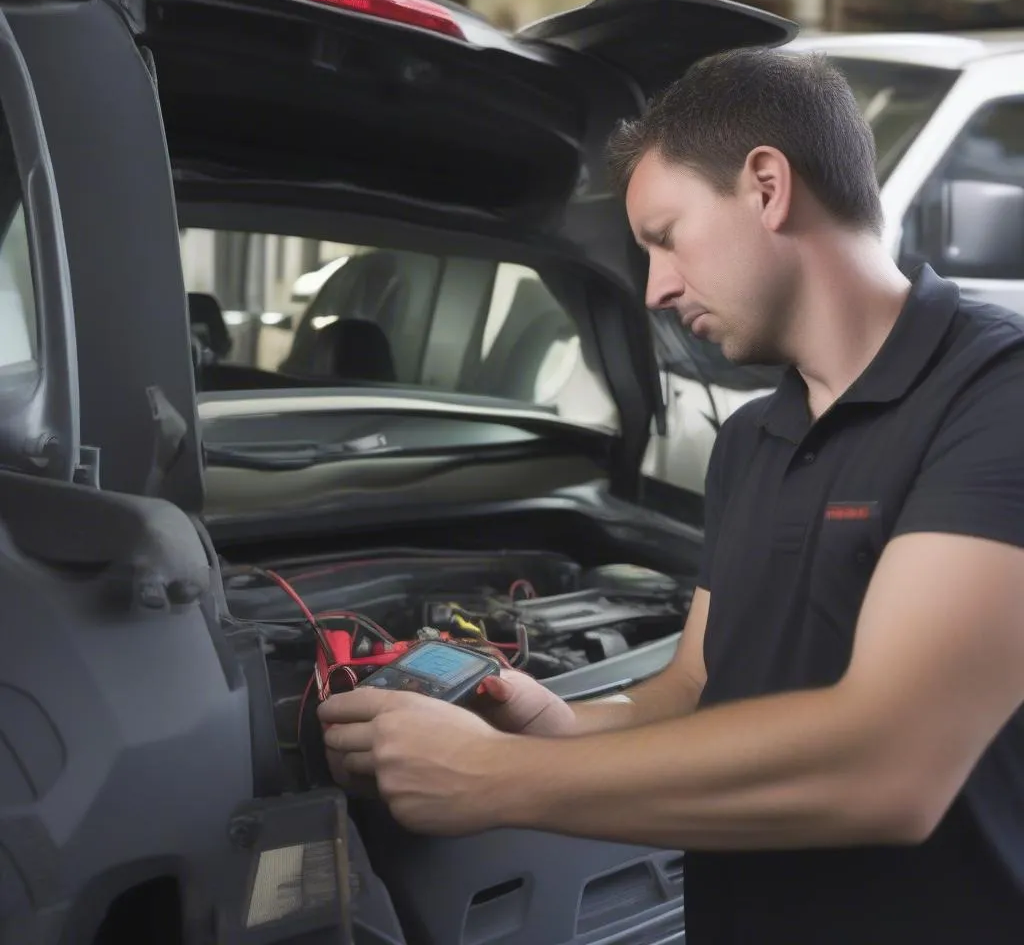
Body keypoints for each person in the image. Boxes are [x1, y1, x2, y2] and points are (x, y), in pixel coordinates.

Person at [317, 47, 1024, 942]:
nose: (654, 287)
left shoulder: (995, 398)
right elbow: (697, 683)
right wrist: (561, 727)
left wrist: (493, 780)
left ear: (767, 185)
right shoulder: (750, 440)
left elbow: (892, 765)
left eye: (665, 235)